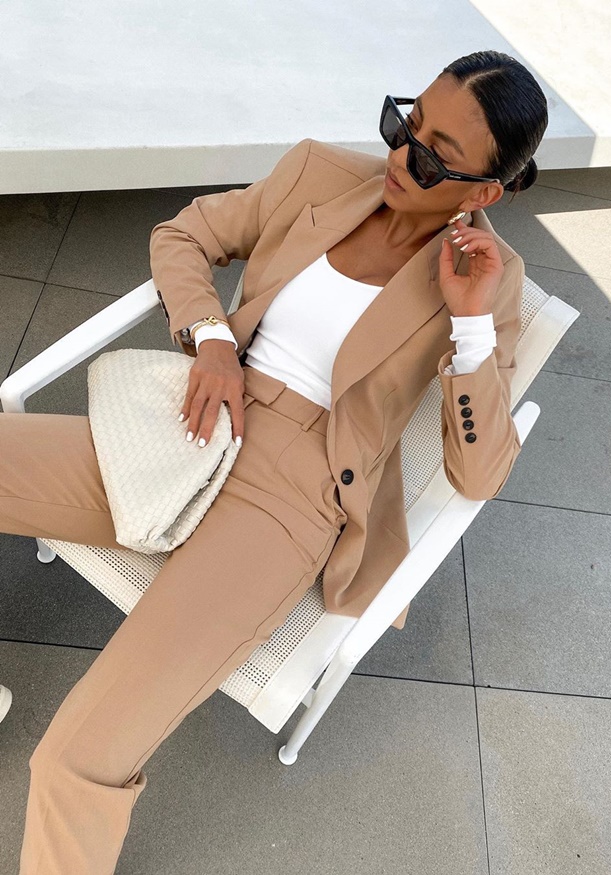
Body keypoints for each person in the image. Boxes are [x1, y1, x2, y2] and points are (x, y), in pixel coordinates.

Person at [1, 50, 547, 874]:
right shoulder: (318, 173)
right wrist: (211, 338)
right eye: (404, 125)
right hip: (199, 420)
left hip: (295, 498)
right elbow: (185, 233)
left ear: (484, 192)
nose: (402, 157)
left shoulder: (487, 281)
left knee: (74, 758)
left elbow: (481, 471)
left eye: (435, 157)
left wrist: (469, 322)